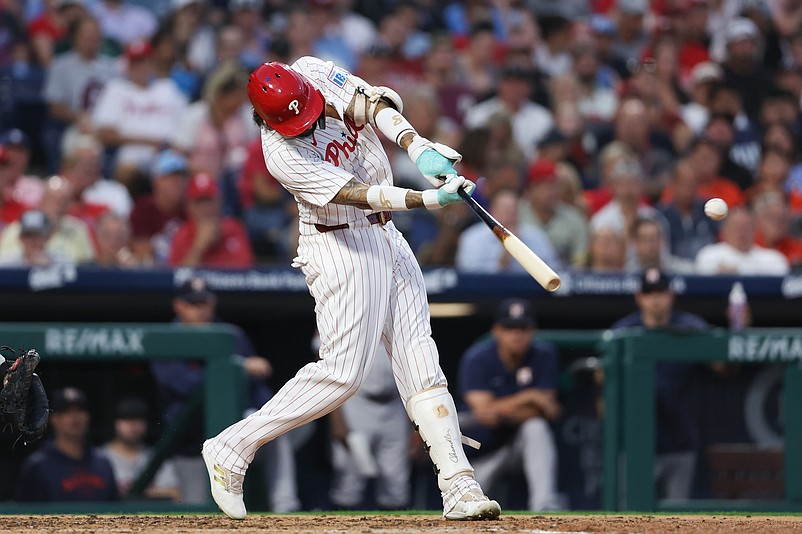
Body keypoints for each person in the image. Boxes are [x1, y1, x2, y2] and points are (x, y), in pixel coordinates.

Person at [201, 58, 501, 521]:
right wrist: (425, 199)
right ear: (268, 120)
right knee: (343, 373)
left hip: (384, 236)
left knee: (419, 355)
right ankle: (232, 446)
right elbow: (359, 194)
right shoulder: (281, 154)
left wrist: (416, 145)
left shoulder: (312, 71)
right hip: (340, 243)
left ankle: (459, 485)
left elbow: (375, 104)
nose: (311, 123)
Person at [151, 276, 300, 512]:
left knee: (274, 432)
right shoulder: (168, 339)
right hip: (189, 441)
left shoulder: (231, 334)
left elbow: (257, 389)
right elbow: (184, 386)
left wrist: (267, 413)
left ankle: (286, 507)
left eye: (204, 302)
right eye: (193, 303)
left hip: (233, 433)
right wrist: (237, 367)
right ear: (178, 306)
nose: (200, 309)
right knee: (198, 511)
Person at [610, 268, 708, 500]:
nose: (655, 300)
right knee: (630, 518)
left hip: (680, 442)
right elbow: (603, 386)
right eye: (649, 293)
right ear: (639, 297)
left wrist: (738, 329)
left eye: (660, 293)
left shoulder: (690, 327)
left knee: (678, 520)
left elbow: (724, 368)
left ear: (670, 296)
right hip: (636, 446)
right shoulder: (623, 332)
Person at [457, 299, 562, 512]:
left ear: (532, 330)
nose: (517, 335)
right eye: (510, 328)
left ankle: (544, 506)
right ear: (497, 331)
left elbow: (550, 410)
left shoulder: (543, 355)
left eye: (522, 328)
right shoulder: (478, 358)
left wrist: (503, 410)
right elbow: (485, 413)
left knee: (536, 428)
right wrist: (530, 397)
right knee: (466, 508)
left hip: (515, 444)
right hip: (477, 449)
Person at [328, 347, 411, 511]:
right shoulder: (346, 321)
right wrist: (336, 419)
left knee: (395, 478)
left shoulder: (404, 323)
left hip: (396, 404)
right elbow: (326, 370)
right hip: (355, 401)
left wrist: (415, 428)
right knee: (350, 475)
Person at [16, 387, 119, 502]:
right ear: (54, 419)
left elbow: (115, 508)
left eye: (79, 410)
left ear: (87, 417)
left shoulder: (103, 462)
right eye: (66, 411)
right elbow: (24, 512)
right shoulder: (38, 466)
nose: (74, 417)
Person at [456, 187, 561, 274]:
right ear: (492, 212)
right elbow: (468, 274)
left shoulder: (535, 236)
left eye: (513, 211)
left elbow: (553, 269)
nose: (510, 217)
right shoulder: (472, 237)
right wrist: (505, 255)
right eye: (505, 211)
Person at [101, 397, 181, 501]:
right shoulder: (100, 457)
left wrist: (135, 495)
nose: (133, 425)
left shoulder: (155, 456)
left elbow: (176, 494)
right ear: (115, 423)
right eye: (127, 419)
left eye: (138, 419)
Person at [167, 172, 254, 268]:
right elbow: (175, 278)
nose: (205, 207)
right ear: (189, 206)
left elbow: (246, 273)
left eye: (208, 200)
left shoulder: (234, 229)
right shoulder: (181, 235)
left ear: (219, 201)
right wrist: (199, 247)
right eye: (199, 202)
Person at [694, 206, 790, 275]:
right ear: (724, 230)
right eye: (736, 227)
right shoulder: (709, 255)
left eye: (745, 227)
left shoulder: (772, 258)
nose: (741, 232)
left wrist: (737, 272)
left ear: (754, 230)